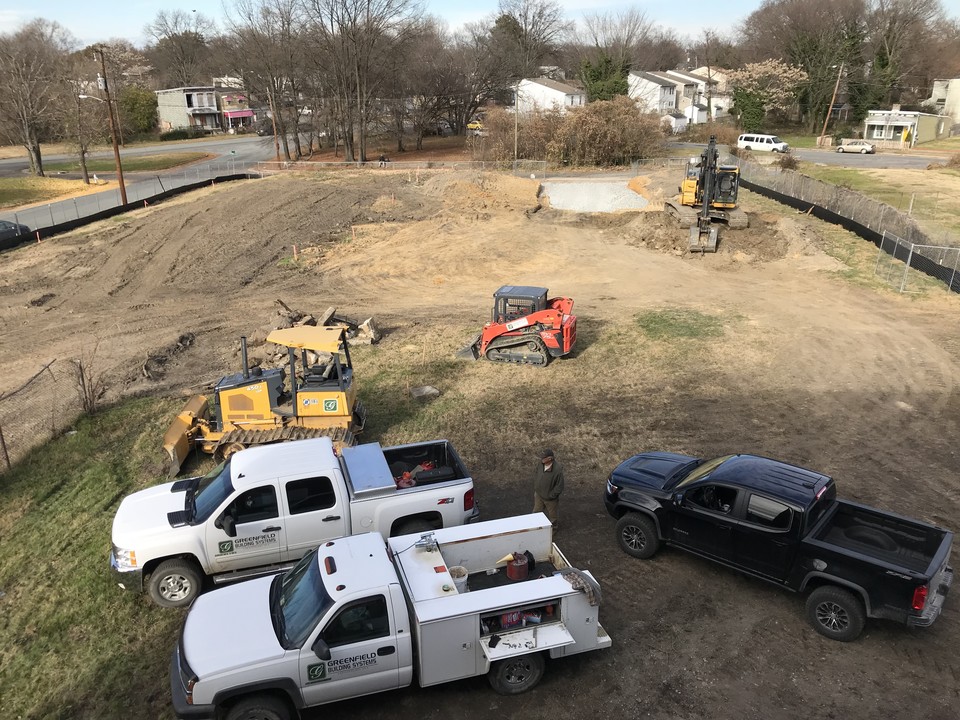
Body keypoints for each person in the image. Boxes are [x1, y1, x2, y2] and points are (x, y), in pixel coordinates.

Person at [532, 448, 564, 529]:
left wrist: (551, 496)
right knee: (536, 513)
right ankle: (535, 528)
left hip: (550, 499)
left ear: (550, 459)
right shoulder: (540, 464)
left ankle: (554, 529)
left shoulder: (557, 470)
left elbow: (559, 486)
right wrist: (537, 487)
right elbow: (536, 473)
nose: (541, 459)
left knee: (552, 516)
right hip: (539, 495)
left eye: (543, 458)